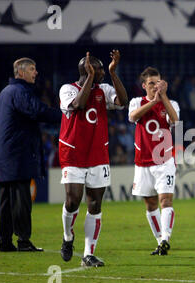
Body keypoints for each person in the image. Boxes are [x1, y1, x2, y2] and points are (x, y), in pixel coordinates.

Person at [59, 50, 128, 266]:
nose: (101, 74)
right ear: (86, 70)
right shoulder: (68, 89)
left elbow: (123, 101)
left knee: (95, 204)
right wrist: (89, 77)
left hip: (98, 154)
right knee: (72, 200)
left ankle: (88, 254)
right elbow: (79, 104)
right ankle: (68, 237)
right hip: (73, 154)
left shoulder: (104, 90)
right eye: (98, 69)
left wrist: (113, 72)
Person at [0, 57, 61, 252]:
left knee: (5, 200)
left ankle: (4, 241)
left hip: (5, 154)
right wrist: (65, 115)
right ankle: (23, 240)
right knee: (22, 199)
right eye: (32, 69)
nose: (36, 73)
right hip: (18, 154)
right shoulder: (20, 91)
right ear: (21, 73)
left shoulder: (6, 92)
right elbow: (37, 111)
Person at [128, 67, 180, 256]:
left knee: (165, 200)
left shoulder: (171, 103)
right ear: (144, 86)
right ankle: (160, 242)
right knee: (150, 204)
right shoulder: (136, 102)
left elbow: (175, 120)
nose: (155, 86)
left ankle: (165, 238)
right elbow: (133, 117)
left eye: (158, 83)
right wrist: (154, 102)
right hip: (142, 162)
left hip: (164, 160)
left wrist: (163, 98)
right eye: (151, 83)